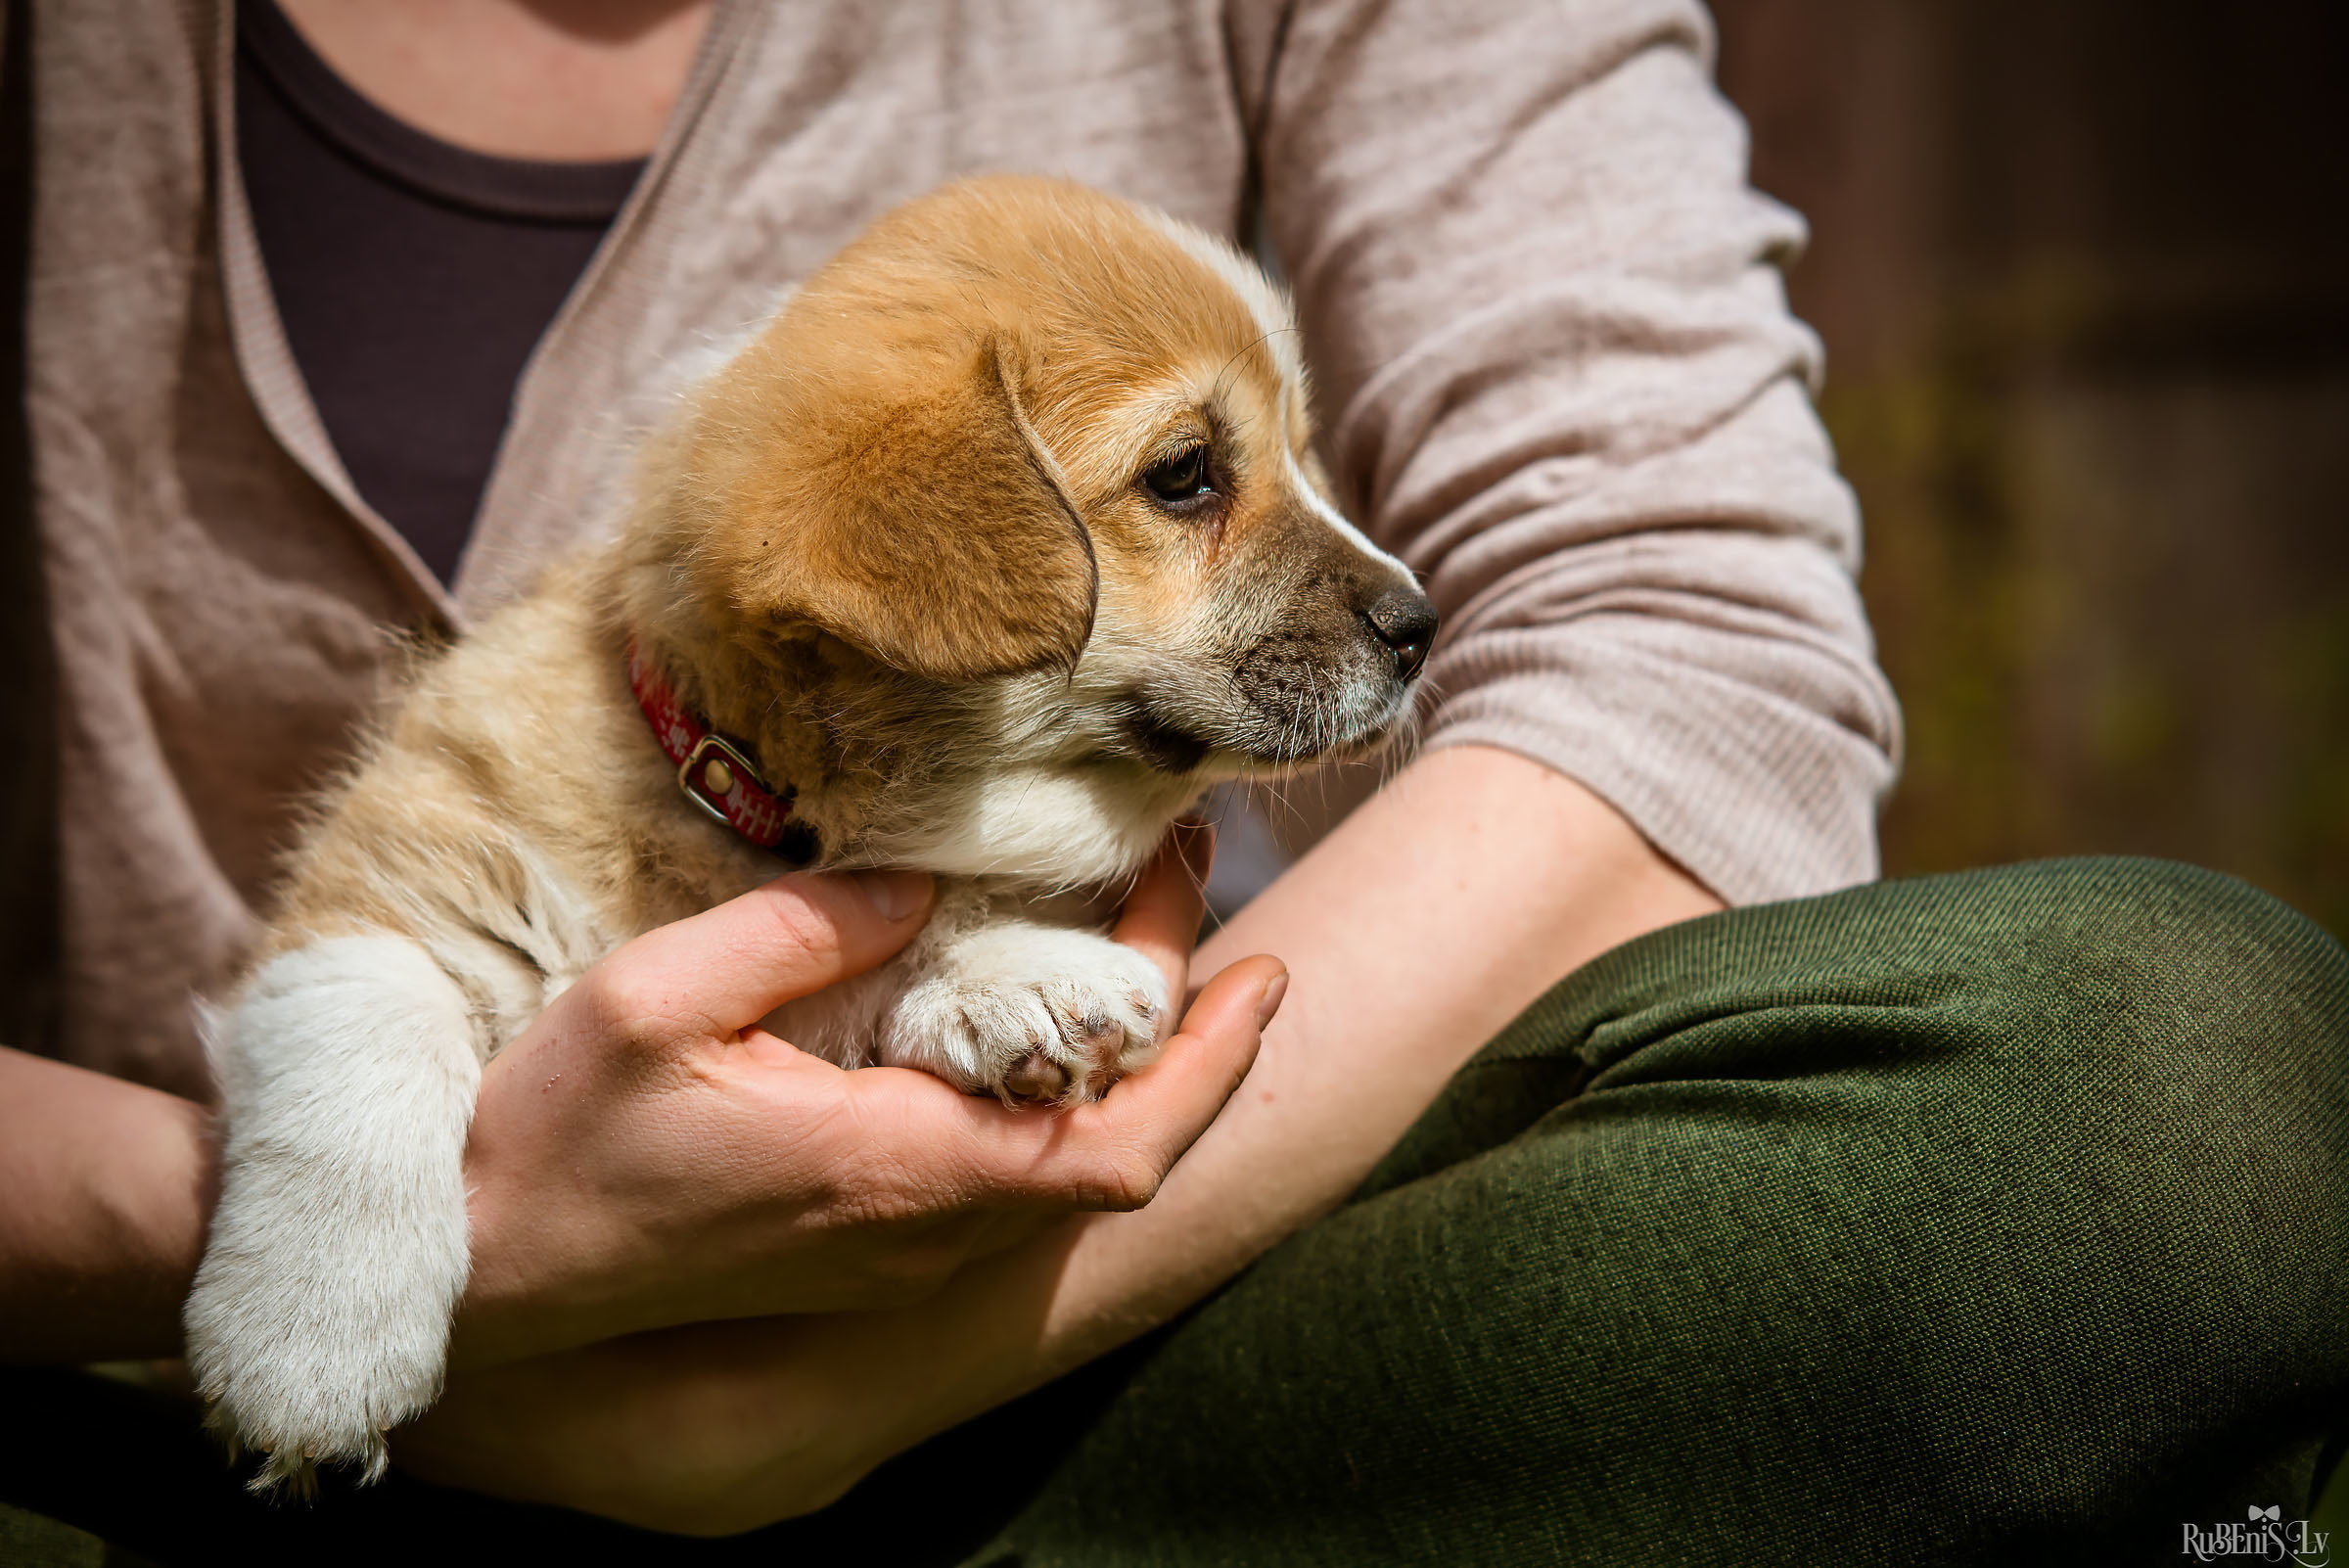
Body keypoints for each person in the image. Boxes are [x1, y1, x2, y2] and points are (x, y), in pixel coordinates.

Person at [2, 0, 2343, 1561]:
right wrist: (300, 1246)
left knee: (2171, 1080)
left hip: (1093, 1363)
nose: (1372, 587)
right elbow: (363, 1006)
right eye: (1202, 484)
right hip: (242, 1416)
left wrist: (847, 1368)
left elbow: (1693, 642)